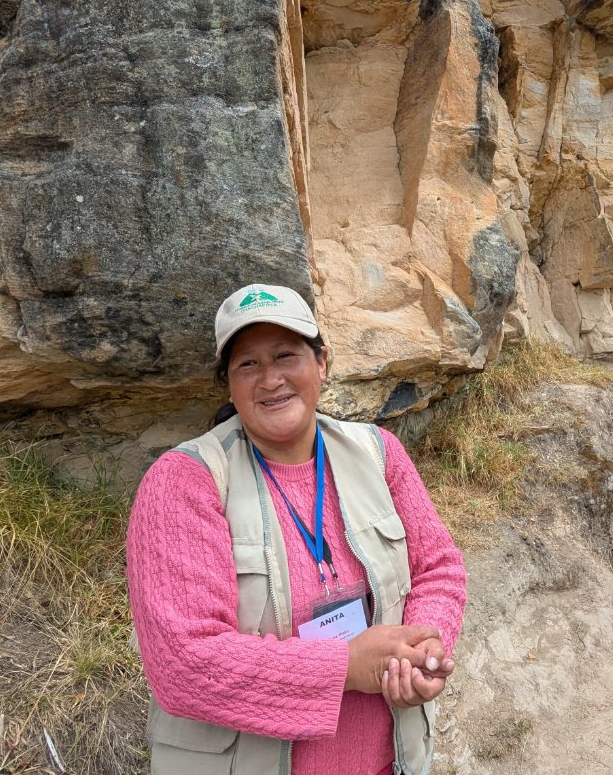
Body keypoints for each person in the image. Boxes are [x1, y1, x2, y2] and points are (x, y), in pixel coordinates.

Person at [127, 283, 466, 775]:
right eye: (248, 364)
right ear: (229, 383)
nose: (271, 379)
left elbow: (439, 567)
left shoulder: (379, 454)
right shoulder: (183, 483)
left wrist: (423, 649)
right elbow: (184, 663)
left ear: (321, 362)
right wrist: (345, 667)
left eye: (287, 355)